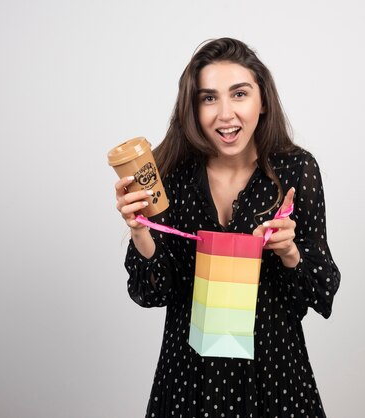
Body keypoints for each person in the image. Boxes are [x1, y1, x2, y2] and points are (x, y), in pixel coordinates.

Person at [114, 37, 340, 418]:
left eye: (239, 94)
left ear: (262, 100)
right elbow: (152, 293)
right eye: (208, 98)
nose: (225, 113)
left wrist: (289, 252)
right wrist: (140, 232)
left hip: (275, 375)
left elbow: (321, 292)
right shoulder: (169, 174)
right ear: (193, 108)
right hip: (189, 378)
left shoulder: (295, 170)